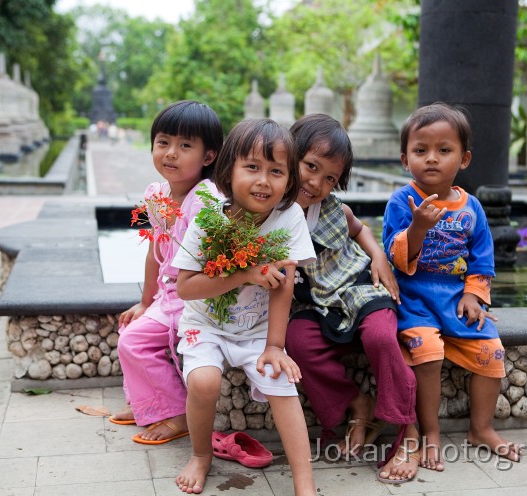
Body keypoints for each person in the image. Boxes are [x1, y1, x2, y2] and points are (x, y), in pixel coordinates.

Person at [172, 118, 317, 494]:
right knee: (204, 381)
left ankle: (305, 483)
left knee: (281, 381)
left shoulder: (289, 217)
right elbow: (186, 288)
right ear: (228, 170)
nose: (263, 180)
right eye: (252, 167)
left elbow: (284, 285)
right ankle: (201, 455)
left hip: (256, 332)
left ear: (290, 179)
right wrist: (245, 274)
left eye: (276, 171)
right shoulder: (209, 218)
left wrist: (274, 346)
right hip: (204, 324)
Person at [382, 102, 520, 471]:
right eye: (420, 150)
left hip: (456, 296)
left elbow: (482, 257)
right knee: (427, 353)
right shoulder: (402, 201)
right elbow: (393, 258)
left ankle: (481, 428)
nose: (431, 159)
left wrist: (474, 294)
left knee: (491, 351)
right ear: (404, 158)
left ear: (464, 158)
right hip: (415, 298)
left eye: (444, 150)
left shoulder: (471, 206)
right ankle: (431, 434)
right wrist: (417, 228)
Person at [285, 114, 420, 484]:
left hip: (361, 288)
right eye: (311, 167)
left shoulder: (332, 209)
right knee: (297, 340)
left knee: (379, 337)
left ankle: (407, 431)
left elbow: (360, 230)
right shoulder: (271, 209)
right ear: (289, 155)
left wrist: (378, 257)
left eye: (330, 178)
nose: (317, 182)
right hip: (318, 303)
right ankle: (356, 403)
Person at [112, 101, 223, 445]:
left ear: (208, 157)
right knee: (130, 327)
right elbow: (153, 252)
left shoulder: (206, 199)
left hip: (195, 297)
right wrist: (145, 302)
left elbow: (212, 266)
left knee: (134, 341)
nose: (171, 153)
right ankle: (149, 403)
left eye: (185, 145)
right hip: (168, 294)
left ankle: (176, 412)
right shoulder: (156, 194)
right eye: (163, 143)